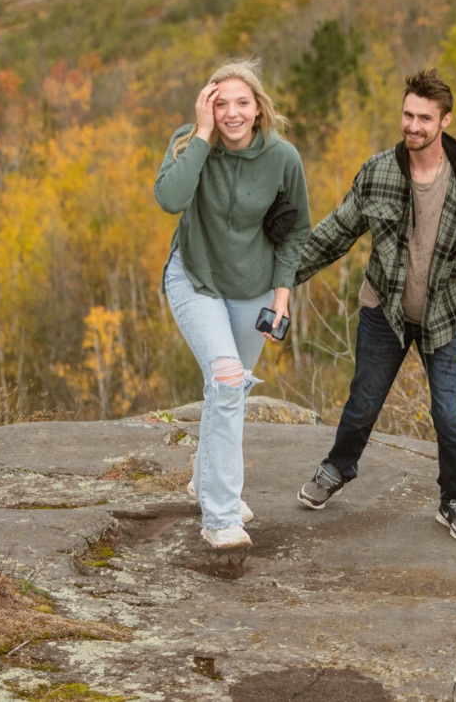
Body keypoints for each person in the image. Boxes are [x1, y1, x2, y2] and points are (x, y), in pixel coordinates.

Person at [292, 68, 456, 542]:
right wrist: (282, 281)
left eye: (424, 118)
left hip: (443, 317)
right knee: (363, 403)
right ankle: (337, 469)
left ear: (445, 120)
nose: (412, 125)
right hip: (383, 310)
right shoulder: (379, 172)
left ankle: (455, 501)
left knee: (449, 414)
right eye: (407, 114)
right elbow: (337, 231)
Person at [154, 60, 310, 553]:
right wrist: (200, 135)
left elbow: (298, 231)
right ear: (207, 106)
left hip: (255, 287)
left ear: (259, 107)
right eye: (220, 103)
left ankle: (205, 481)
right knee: (225, 379)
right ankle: (220, 518)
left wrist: (282, 295)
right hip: (195, 277)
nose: (232, 113)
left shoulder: (283, 158)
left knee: (231, 393)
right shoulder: (189, 140)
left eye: (242, 102)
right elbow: (169, 199)